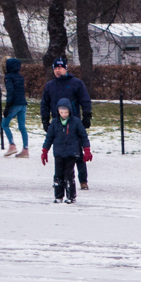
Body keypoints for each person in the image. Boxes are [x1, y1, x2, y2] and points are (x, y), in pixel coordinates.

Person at [40, 58, 92, 190]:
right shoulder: (50, 85)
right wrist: (45, 120)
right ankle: (59, 179)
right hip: (57, 123)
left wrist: (87, 115)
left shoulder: (76, 83)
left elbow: (85, 100)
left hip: (74, 123)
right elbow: (44, 104)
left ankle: (83, 180)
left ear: (65, 68)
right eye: (55, 68)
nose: (58, 70)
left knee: (78, 153)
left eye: (60, 67)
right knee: (59, 153)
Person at [41, 97, 90, 203]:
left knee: (69, 174)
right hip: (58, 153)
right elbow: (49, 138)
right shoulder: (54, 123)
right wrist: (45, 151)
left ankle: (71, 196)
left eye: (66, 112)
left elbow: (83, 136)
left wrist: (87, 150)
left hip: (71, 153)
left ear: (69, 111)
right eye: (61, 112)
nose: (64, 114)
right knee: (58, 175)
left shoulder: (75, 122)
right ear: (58, 111)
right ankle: (58, 196)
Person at [1, 57, 28, 158]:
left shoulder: (8, 77)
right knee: (22, 127)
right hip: (23, 104)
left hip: (14, 104)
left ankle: (12, 145)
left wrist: (7, 107)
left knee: (4, 124)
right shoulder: (20, 76)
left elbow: (10, 92)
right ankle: (25, 149)